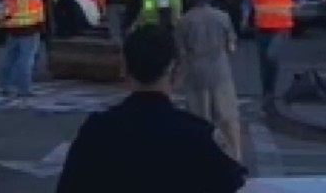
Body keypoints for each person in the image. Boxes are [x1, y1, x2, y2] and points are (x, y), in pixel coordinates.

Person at [56, 25, 248, 193]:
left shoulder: (97, 131)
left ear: (125, 69)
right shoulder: (199, 135)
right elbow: (233, 182)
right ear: (176, 71)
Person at [175, 0, 243, 161]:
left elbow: (181, 54)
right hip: (220, 72)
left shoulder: (184, 21)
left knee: (200, 122)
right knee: (229, 118)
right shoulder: (223, 17)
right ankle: (236, 157)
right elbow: (231, 48)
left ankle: (203, 160)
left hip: (196, 74)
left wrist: (176, 80)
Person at [243, 0, 294, 103]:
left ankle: (271, 89)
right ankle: (267, 91)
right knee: (264, 60)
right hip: (262, 27)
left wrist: (297, 5)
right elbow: (247, 2)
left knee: (271, 55)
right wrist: (245, 18)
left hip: (281, 27)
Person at [0, 0, 45, 97]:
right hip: (29, 25)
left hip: (12, 23)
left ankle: (5, 86)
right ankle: (24, 88)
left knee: (11, 57)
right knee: (26, 59)